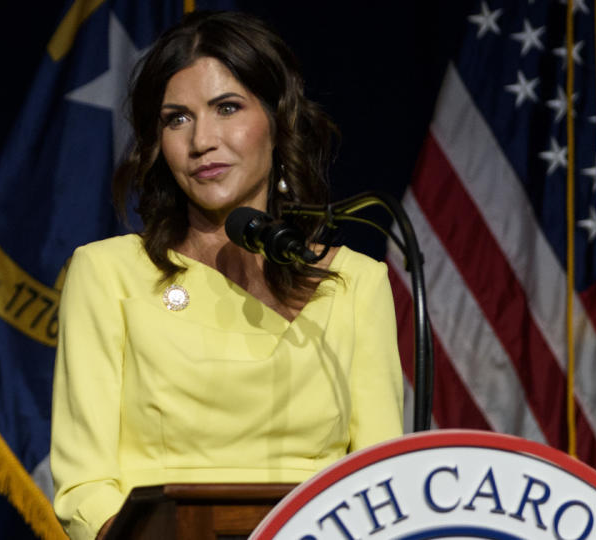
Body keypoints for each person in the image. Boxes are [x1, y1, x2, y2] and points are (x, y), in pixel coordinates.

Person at [50, 11, 403, 540]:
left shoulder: (357, 282)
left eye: (227, 108)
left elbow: (382, 486)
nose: (201, 141)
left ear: (278, 120)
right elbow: (85, 487)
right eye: (177, 119)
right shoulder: (108, 274)